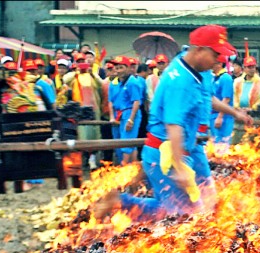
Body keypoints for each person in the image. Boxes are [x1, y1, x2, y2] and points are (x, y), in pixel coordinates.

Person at [94, 25, 244, 219]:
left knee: (208, 201)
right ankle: (121, 202)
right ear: (199, 49)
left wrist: (235, 113)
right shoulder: (179, 81)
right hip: (166, 152)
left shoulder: (201, 69)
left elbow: (207, 98)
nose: (219, 60)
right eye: (215, 54)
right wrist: (180, 168)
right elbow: (173, 126)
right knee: (180, 216)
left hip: (192, 146)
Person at [108, 55, 142, 165]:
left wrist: (131, 119)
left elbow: (136, 101)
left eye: (121, 68)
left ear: (127, 68)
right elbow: (111, 101)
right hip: (122, 113)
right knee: (129, 142)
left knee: (126, 142)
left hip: (130, 113)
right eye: (117, 68)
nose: (118, 71)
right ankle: (132, 169)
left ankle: (124, 168)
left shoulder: (132, 82)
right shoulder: (118, 83)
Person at [210, 55, 235, 154]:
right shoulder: (214, 77)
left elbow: (226, 99)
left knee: (222, 143)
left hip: (223, 116)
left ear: (220, 64)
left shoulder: (226, 78)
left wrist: (220, 117)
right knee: (215, 142)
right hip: (213, 114)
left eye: (214, 62)